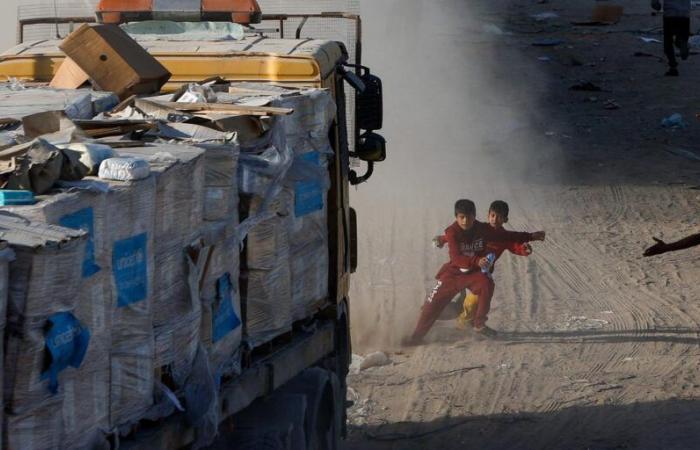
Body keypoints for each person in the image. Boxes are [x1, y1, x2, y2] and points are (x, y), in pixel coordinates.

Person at [404, 199, 545, 346]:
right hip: (453, 273)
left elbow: (508, 237)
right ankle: (415, 338)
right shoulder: (452, 232)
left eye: (469, 217)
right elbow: (456, 258)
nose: (465, 221)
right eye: (462, 217)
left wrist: (530, 237)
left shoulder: (483, 228)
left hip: (474, 274)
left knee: (486, 283)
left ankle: (478, 324)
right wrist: (474, 259)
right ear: (456, 217)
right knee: (431, 307)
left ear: (475, 216)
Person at [433, 201, 534, 328]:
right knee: (459, 304)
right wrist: (442, 239)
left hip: (479, 275)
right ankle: (436, 314)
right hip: (464, 270)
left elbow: (514, 245)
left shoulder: (503, 237)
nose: (495, 219)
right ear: (488, 215)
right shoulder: (481, 229)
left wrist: (523, 248)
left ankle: (463, 325)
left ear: (505, 219)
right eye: (492, 215)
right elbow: (460, 234)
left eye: (499, 217)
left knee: (473, 301)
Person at [651, 0, 691, 76]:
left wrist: (656, 6)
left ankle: (673, 67)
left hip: (670, 13)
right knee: (681, 37)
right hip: (685, 14)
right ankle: (682, 44)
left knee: (668, 41)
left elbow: (655, 3)